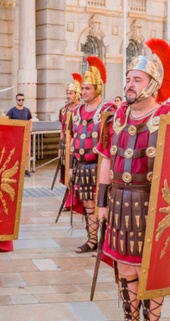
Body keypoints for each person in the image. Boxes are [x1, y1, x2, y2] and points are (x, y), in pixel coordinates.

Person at [96, 38, 170, 321]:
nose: (129, 84)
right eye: (127, 78)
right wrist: (101, 203)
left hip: (151, 204)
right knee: (125, 266)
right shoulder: (116, 117)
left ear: (153, 84)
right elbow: (106, 161)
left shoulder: (166, 117)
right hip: (119, 204)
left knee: (149, 268)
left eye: (136, 79)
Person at [68, 56, 116, 253]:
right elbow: (73, 141)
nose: (83, 91)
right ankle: (92, 239)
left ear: (97, 88)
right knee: (88, 203)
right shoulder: (78, 111)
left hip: (101, 166)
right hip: (82, 166)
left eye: (87, 88)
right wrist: (71, 168)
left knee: (103, 204)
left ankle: (106, 240)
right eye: (83, 88)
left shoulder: (108, 110)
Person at [58, 73, 82, 188]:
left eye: (71, 93)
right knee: (66, 174)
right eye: (67, 93)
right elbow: (62, 130)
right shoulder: (63, 110)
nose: (68, 96)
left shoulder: (81, 110)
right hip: (65, 145)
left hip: (76, 145)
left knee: (75, 175)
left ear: (77, 94)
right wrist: (59, 147)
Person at [7, 93, 33, 176]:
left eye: (22, 100)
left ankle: (25, 169)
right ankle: (15, 169)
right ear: (16, 100)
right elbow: (7, 121)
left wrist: (30, 131)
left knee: (27, 153)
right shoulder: (12, 111)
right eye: (19, 100)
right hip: (16, 135)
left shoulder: (27, 110)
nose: (21, 101)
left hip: (26, 134)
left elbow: (30, 121)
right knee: (15, 153)